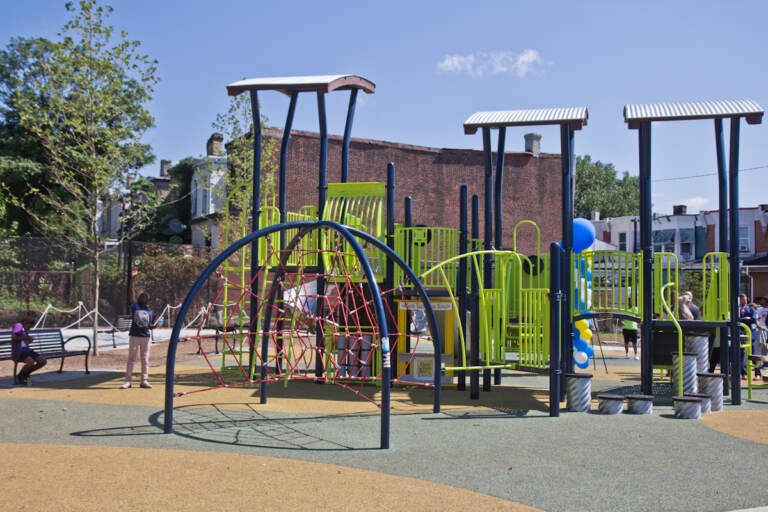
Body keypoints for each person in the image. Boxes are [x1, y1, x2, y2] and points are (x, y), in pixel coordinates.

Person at [122, 268, 154, 389]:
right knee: (132, 358)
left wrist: (153, 326)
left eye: (145, 296)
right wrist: (132, 279)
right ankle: (128, 381)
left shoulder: (149, 311)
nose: (143, 296)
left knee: (145, 359)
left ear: (147, 300)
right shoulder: (135, 306)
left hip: (145, 337)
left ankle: (144, 380)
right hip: (135, 335)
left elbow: (149, 325)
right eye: (141, 295)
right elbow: (131, 292)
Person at [11, 313, 47, 385]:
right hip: (18, 351)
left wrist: (29, 340)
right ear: (25, 322)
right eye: (29, 326)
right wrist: (26, 338)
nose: (29, 328)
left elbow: (24, 343)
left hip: (27, 350)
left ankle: (25, 374)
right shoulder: (19, 325)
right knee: (31, 362)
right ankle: (21, 376)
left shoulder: (25, 329)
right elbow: (14, 337)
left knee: (42, 361)